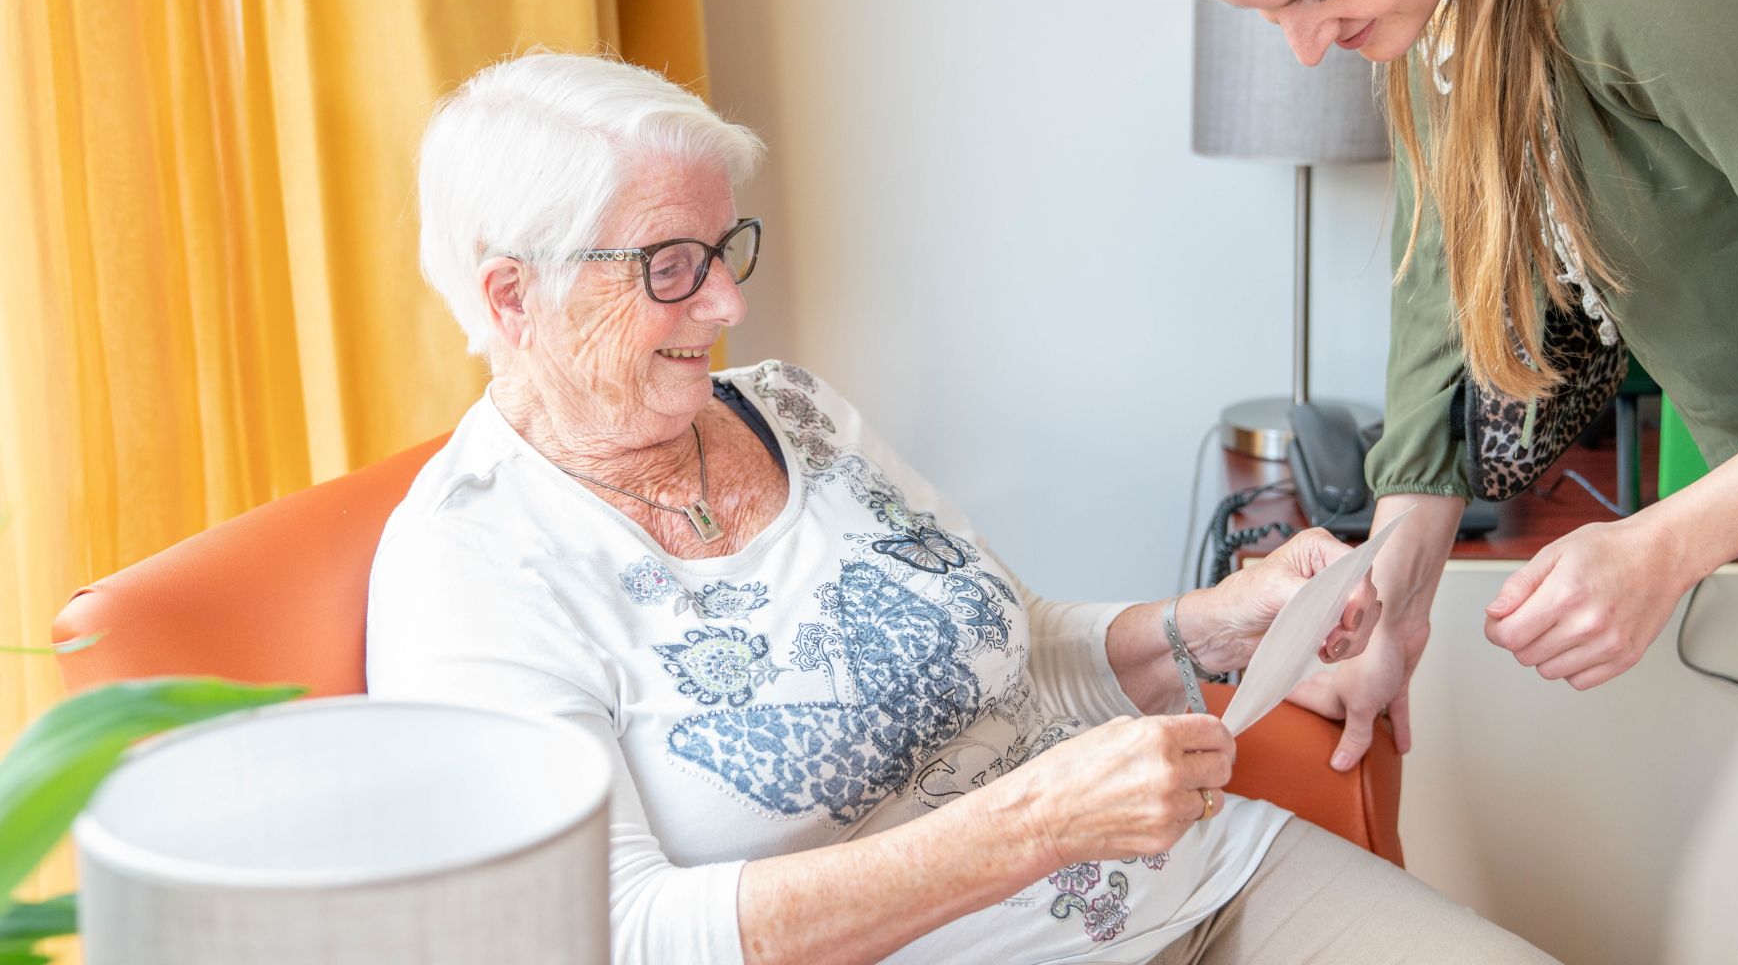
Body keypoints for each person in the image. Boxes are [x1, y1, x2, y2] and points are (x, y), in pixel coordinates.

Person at [366, 51, 1558, 964]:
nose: (727, 301)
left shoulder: (792, 410)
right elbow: (619, 936)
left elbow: (1004, 643)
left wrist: (1206, 626)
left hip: (1188, 887)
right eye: (667, 264)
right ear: (513, 297)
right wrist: (1033, 824)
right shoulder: (467, 566)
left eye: (726, 245)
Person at [1145, 0, 1738, 959]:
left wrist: (1666, 543)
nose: (1305, 51)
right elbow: (1445, 253)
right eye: (1265, 13)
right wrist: (1396, 570)